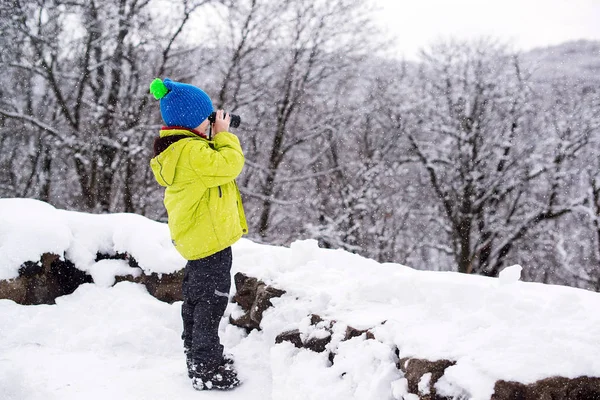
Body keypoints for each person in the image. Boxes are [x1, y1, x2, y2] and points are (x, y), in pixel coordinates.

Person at [148, 77, 248, 391]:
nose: (211, 125)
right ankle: (207, 368)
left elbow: (212, 161)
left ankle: (194, 352)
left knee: (195, 298)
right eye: (206, 119)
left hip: (197, 240)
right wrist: (224, 135)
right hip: (211, 242)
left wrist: (214, 131)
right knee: (211, 303)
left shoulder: (180, 148)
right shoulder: (193, 153)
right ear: (194, 122)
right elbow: (230, 164)